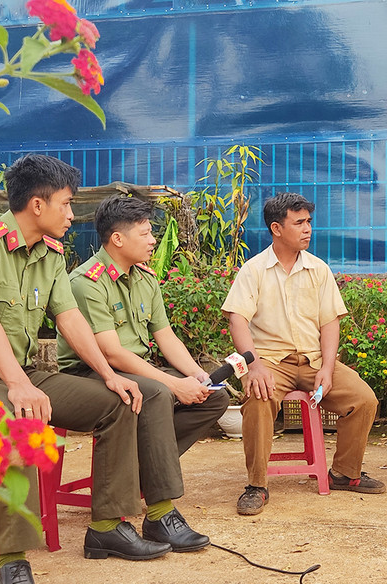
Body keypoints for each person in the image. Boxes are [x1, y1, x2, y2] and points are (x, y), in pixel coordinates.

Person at [0, 155, 188, 584]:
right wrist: (16, 384)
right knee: (19, 413)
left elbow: (69, 318)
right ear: (36, 205)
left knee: (121, 401)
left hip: (24, 373)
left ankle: (107, 528)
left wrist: (109, 374)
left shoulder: (49, 252)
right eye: (66, 204)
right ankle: (11, 557)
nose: (71, 214)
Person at [57, 194, 227, 530]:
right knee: (158, 393)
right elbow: (111, 352)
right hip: (91, 373)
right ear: (118, 239)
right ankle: (160, 513)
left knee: (215, 397)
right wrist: (175, 384)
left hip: (137, 369)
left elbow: (165, 337)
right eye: (146, 233)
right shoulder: (87, 282)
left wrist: (197, 376)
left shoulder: (145, 278)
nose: (153, 241)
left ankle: (140, 467)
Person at [221, 192, 385, 516]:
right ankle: (256, 485)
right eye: (299, 222)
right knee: (257, 399)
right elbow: (236, 319)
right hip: (269, 361)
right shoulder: (253, 270)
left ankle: (344, 473)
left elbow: (329, 323)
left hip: (313, 360)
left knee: (364, 400)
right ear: (276, 228)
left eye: (309, 221)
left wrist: (327, 366)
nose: (308, 228)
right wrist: (253, 366)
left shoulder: (319, 269)